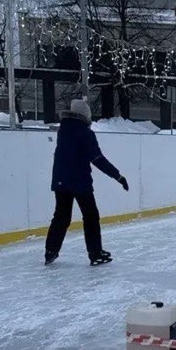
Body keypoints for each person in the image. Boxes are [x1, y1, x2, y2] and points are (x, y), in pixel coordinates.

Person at [44, 99, 129, 266]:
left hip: (60, 181)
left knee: (61, 217)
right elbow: (97, 159)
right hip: (79, 182)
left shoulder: (63, 130)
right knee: (90, 216)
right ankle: (95, 253)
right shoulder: (85, 133)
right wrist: (118, 176)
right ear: (85, 116)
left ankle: (50, 251)